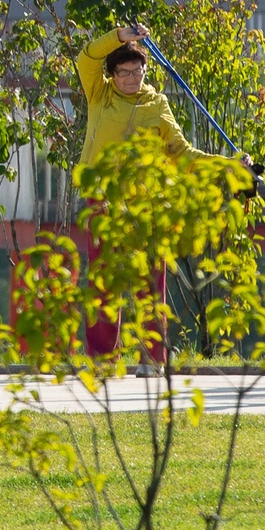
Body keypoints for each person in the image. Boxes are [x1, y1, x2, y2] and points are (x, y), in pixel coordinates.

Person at [77, 23, 251, 377]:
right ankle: (102, 360)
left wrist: (229, 164)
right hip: (103, 201)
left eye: (137, 71)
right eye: (123, 72)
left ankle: (151, 358)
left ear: (146, 71)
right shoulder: (100, 93)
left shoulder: (158, 104)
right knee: (104, 282)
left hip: (146, 205)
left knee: (148, 284)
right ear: (112, 75)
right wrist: (119, 37)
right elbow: (86, 57)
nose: (131, 78)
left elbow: (182, 155)